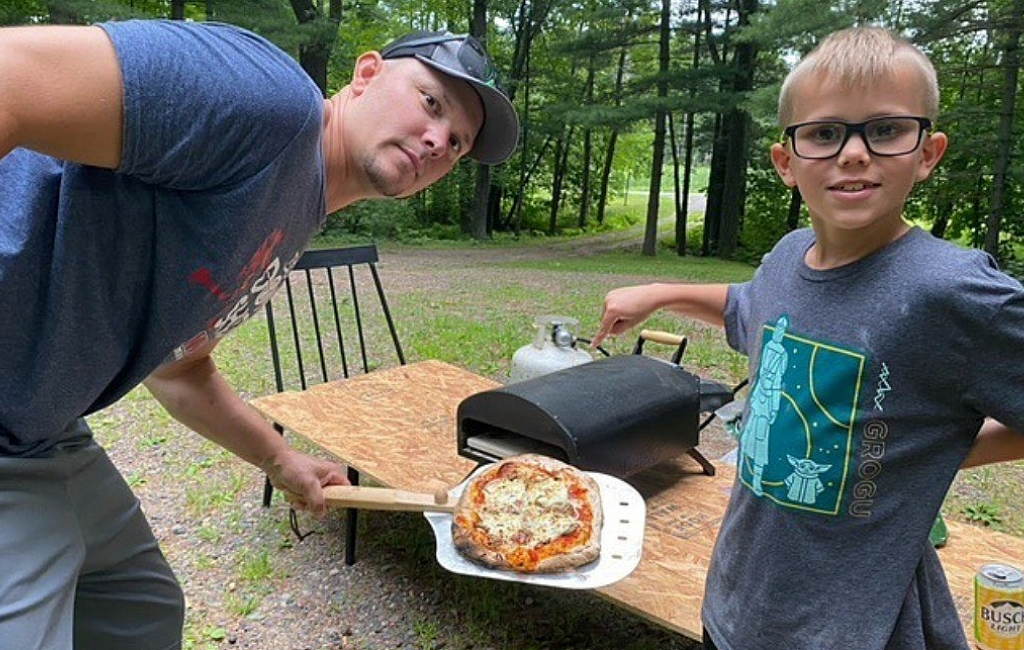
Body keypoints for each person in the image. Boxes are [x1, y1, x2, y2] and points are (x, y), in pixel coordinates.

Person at [0, 19, 518, 650]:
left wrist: (281, 459)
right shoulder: (270, 101)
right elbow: (13, 74)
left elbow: (180, 372)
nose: (439, 138)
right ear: (367, 73)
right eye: (431, 102)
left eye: (458, 144)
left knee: (137, 607)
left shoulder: (293, 213)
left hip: (42, 430)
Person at [592, 26, 1024, 650]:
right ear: (787, 163)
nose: (853, 153)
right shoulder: (789, 256)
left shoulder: (953, 292)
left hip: (853, 626)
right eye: (825, 133)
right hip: (739, 603)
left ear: (927, 153)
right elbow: (752, 309)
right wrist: (662, 292)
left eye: (885, 129)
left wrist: (928, 454)